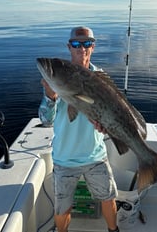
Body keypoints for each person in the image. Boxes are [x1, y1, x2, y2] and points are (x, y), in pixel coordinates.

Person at [38, 26, 119, 232]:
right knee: (62, 207)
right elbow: (46, 120)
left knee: (108, 199)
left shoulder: (100, 77)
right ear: (69, 46)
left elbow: (111, 115)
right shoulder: (58, 76)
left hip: (95, 155)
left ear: (93, 46)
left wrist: (106, 127)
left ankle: (114, 230)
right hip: (64, 158)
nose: (81, 48)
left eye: (86, 43)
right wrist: (50, 97)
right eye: (76, 43)